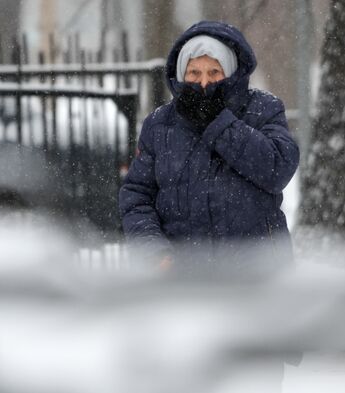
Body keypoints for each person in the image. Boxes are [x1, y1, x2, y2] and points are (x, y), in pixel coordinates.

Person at [119, 21, 299, 278]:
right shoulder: (159, 124)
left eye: (214, 72)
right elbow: (137, 197)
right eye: (194, 73)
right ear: (181, 75)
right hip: (185, 275)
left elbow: (277, 168)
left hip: (258, 270)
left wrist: (220, 122)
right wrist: (153, 251)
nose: (204, 83)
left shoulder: (263, 109)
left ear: (231, 73)